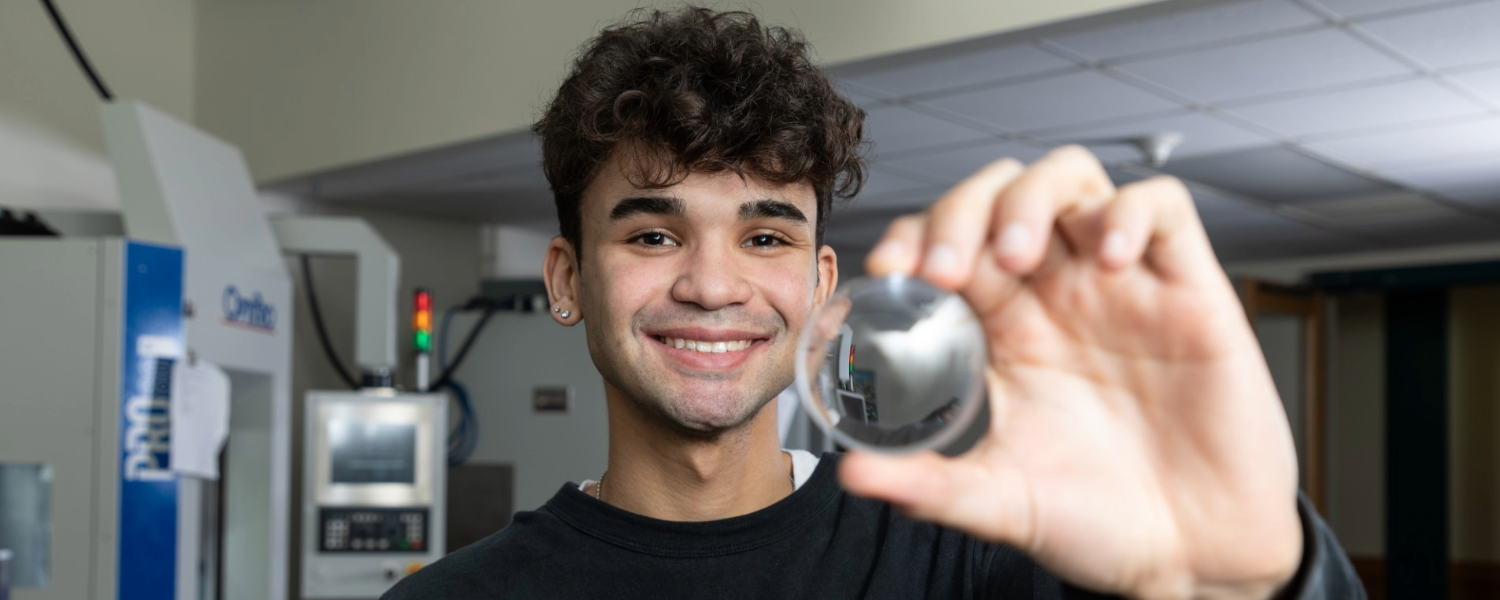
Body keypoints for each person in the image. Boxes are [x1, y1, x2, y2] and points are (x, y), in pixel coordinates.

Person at [385, 7, 1364, 599]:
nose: (715, 285)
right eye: (652, 234)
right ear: (567, 280)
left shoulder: (977, 561)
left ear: (819, 287)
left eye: (765, 236)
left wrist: (1250, 578)